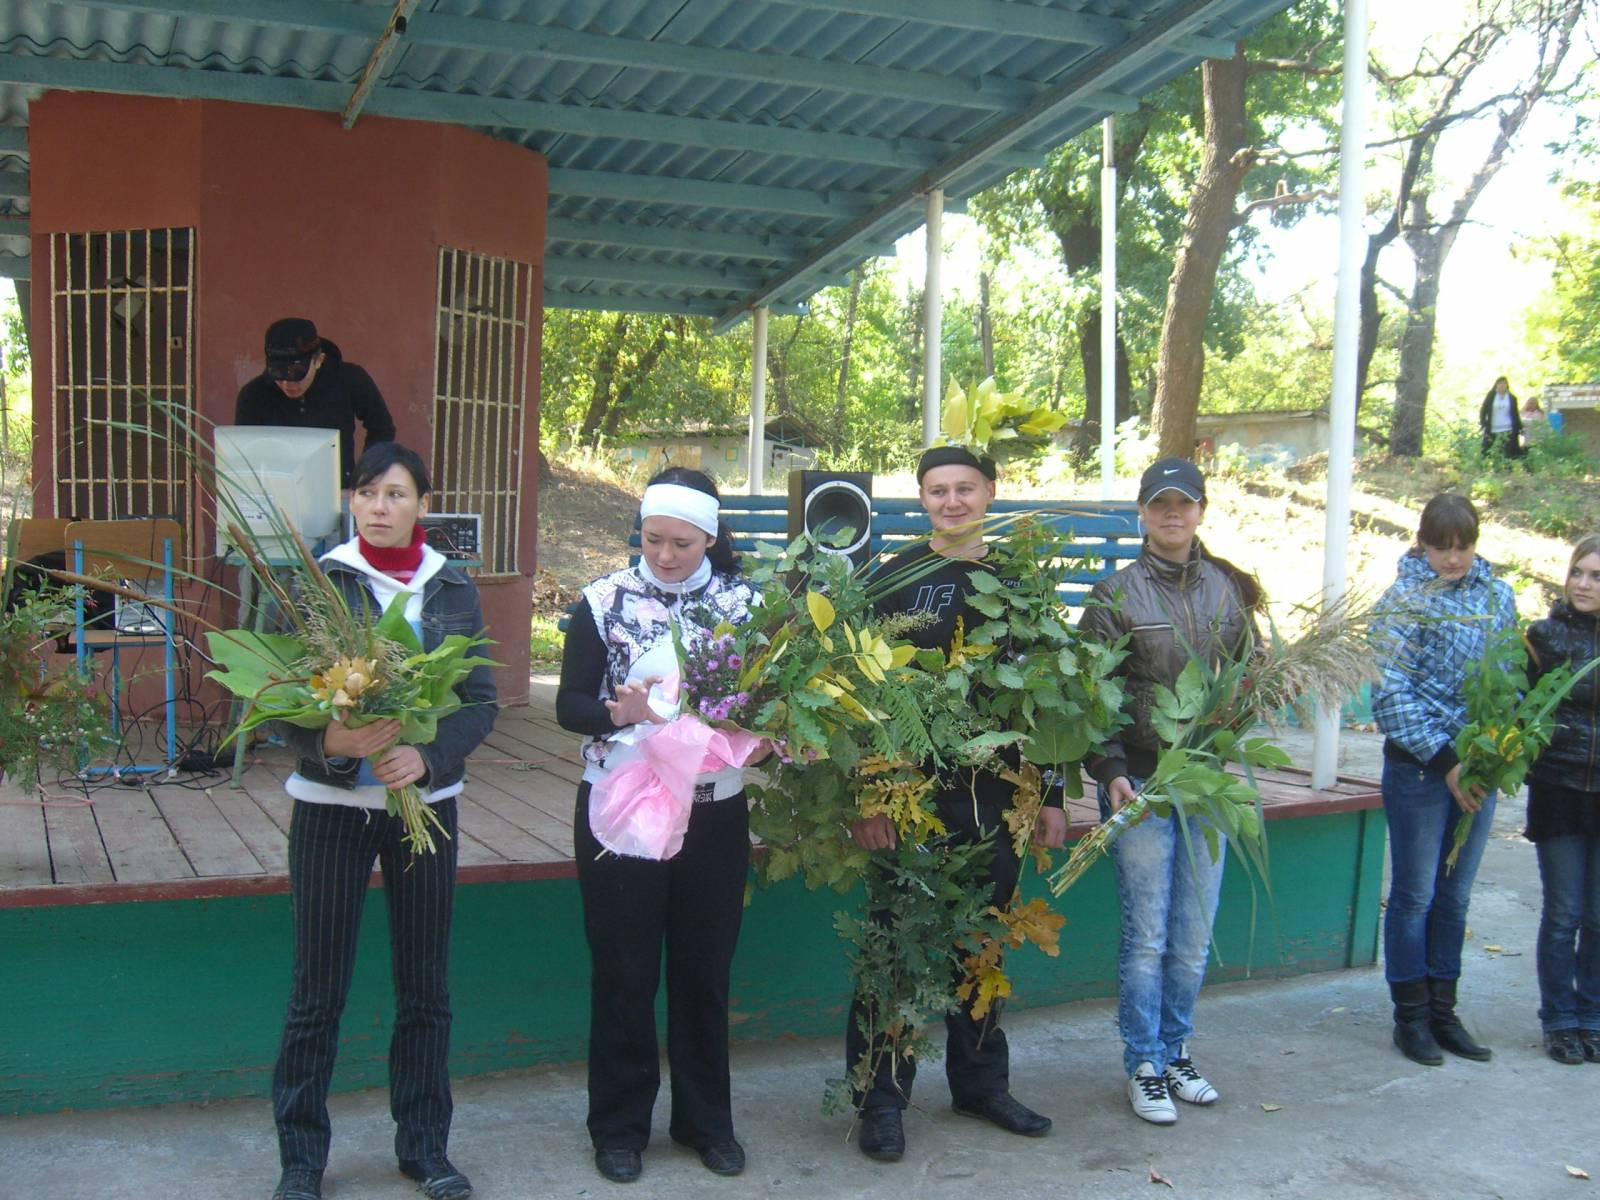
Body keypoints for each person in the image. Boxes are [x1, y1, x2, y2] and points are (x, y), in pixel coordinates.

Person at [269, 443, 497, 1200]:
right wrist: (328, 744)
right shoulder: (318, 583)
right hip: (331, 813)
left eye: (396, 493)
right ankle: (301, 1161)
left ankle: (426, 1149)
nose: (379, 505)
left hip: (421, 813)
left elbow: (480, 699)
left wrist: (429, 758)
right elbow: (275, 704)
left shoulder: (453, 587)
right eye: (367, 491)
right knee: (317, 992)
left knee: (425, 990)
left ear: (422, 505)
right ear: (352, 500)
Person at [845, 445, 1066, 1163]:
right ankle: (880, 1098)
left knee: (983, 945)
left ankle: (978, 1085)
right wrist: (871, 794)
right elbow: (860, 699)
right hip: (912, 799)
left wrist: (1054, 795)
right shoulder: (893, 577)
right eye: (937, 491)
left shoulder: (1020, 583)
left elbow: (1055, 701)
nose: (951, 501)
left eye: (964, 488)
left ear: (990, 493)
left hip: (997, 800)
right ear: (921, 500)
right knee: (895, 950)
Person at [555, 467, 759, 1184]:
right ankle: (618, 1127)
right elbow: (569, 705)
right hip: (624, 812)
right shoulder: (602, 599)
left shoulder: (745, 603)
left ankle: (707, 1123)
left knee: (705, 971)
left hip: (712, 810)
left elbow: (769, 700)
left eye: (681, 543)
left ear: (709, 536)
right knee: (624, 971)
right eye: (652, 540)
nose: (665, 555)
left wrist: (756, 721)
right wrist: (620, 713)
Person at [1077, 457, 1259, 1125]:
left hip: (1206, 780)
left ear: (1202, 510)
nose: (1172, 514)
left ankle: (1178, 1050)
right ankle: (1144, 1064)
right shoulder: (1114, 594)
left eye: (1184, 503)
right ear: (1143, 515)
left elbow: (1253, 667)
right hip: (1142, 783)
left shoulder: (1228, 589)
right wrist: (1111, 769)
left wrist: (1259, 692)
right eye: (1160, 504)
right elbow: (1090, 693)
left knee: (1192, 933)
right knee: (1147, 934)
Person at [1370, 492, 1516, 1068]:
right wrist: (1446, 760)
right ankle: (1410, 1017)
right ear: (1422, 544)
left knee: (1454, 897)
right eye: (1441, 547)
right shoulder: (1401, 600)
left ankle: (1444, 1009)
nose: (1452, 559)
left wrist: (1492, 753)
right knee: (1415, 894)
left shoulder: (1498, 596)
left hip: (1477, 770)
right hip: (1419, 771)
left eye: (1463, 547)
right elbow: (1390, 697)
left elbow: (1507, 677)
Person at [1524, 534, 1600, 1065]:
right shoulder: (1543, 636)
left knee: (1598, 916)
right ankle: (1559, 1018)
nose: (1584, 584)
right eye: (1579, 572)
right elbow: (1521, 707)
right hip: (1558, 789)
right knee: (1564, 911)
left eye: (1596, 576)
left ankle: (1592, 1015)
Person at [236, 317, 397, 489]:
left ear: (319, 360)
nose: (287, 384)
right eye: (278, 374)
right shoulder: (253, 395)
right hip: (276, 493)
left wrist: (364, 479)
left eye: (297, 374)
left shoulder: (350, 380)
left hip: (338, 490)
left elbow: (382, 428)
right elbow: (244, 452)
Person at [1478, 376, 1524, 459]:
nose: (1502, 386)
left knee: (1507, 453)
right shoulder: (1491, 396)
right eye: (1500, 384)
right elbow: (1483, 409)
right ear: (1496, 385)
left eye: (1504, 384)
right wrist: (1483, 421)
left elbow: (1515, 414)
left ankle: (1506, 470)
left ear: (1507, 385)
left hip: (1507, 429)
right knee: (1486, 450)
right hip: (1493, 428)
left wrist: (1520, 427)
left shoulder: (1512, 398)